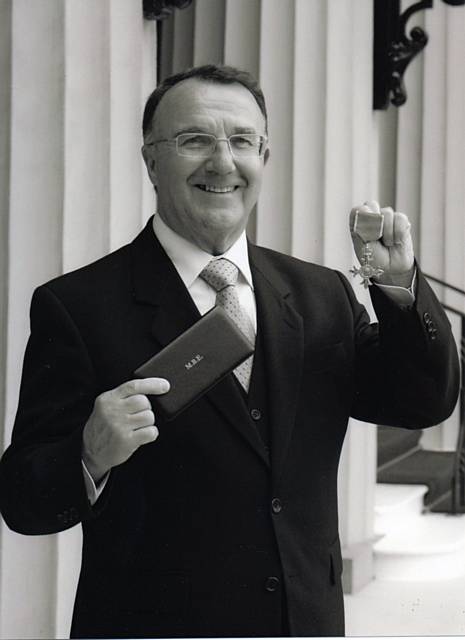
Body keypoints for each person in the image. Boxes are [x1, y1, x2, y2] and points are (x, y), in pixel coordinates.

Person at [0, 64, 459, 638]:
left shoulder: (321, 294)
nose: (223, 162)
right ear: (150, 160)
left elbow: (422, 403)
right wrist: (89, 454)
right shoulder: (78, 306)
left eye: (243, 141)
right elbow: (23, 499)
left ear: (263, 158)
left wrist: (398, 289)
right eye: (194, 140)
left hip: (304, 623)